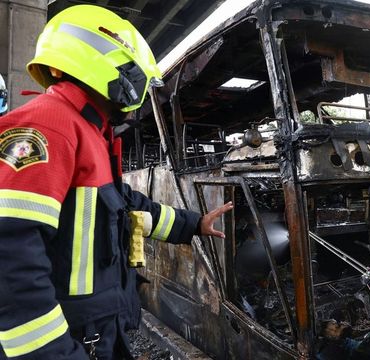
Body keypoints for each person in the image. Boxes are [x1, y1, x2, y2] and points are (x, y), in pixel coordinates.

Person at [0, 5, 233, 360]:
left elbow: (125, 207)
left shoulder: (88, 132)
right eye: (138, 78)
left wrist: (194, 224)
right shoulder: (47, 126)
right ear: (115, 71)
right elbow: (9, 254)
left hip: (94, 328)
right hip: (72, 337)